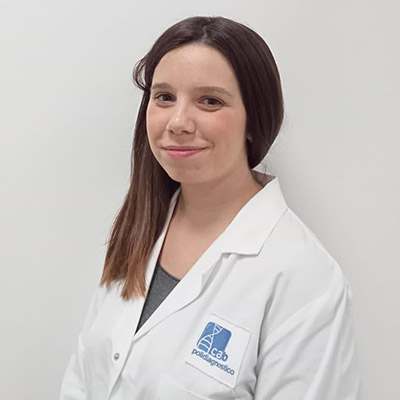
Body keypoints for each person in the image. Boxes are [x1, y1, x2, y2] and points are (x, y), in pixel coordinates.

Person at [59, 15, 361, 400]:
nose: (178, 122)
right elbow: (82, 378)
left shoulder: (305, 280)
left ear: (254, 120)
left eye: (210, 101)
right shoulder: (139, 227)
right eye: (164, 97)